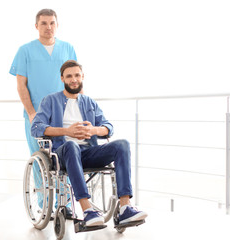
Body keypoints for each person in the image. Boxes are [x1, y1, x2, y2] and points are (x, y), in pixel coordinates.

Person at [31, 60, 148, 227]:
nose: (74, 79)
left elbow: (108, 127)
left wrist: (94, 130)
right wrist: (67, 132)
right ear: (62, 78)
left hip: (88, 152)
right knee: (71, 146)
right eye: (69, 76)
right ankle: (87, 211)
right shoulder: (50, 101)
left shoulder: (89, 102)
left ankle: (125, 208)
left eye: (77, 75)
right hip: (64, 154)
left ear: (82, 77)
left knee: (122, 144)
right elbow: (36, 128)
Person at [9, 9, 76, 215]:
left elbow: (75, 80)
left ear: (57, 25)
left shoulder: (67, 49)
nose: (48, 27)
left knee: (65, 159)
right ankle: (45, 204)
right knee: (40, 159)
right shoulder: (25, 51)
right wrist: (31, 112)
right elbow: (21, 85)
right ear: (36, 26)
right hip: (37, 116)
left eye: (52, 23)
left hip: (64, 115)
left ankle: (64, 206)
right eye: (44, 23)